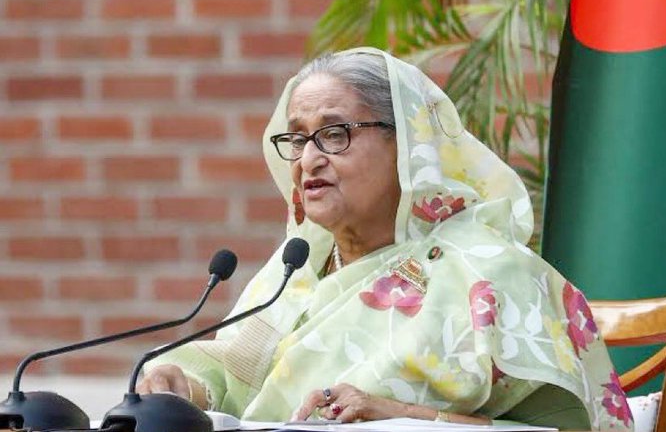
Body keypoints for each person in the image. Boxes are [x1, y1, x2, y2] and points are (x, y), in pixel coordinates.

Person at [138, 47, 633, 430]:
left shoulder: (490, 273)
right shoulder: (294, 270)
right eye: (298, 138)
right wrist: (185, 387)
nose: (309, 159)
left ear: (409, 146)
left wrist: (402, 416)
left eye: (335, 134)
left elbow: (574, 428)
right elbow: (236, 374)